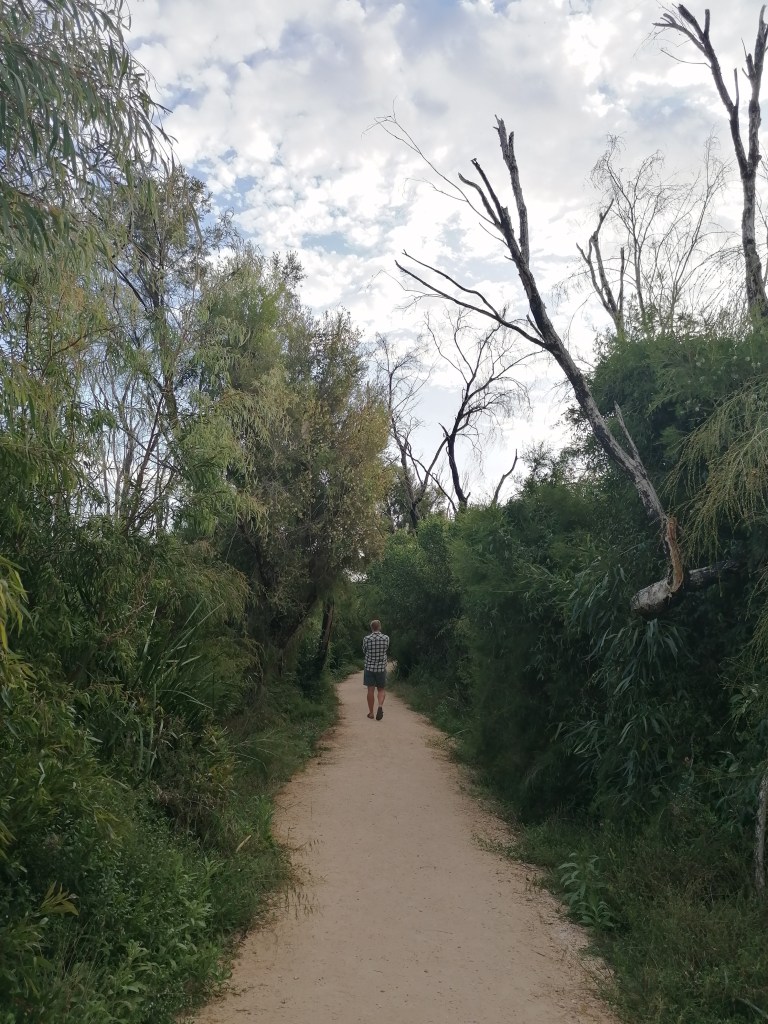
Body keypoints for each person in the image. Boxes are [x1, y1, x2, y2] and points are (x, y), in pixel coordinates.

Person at [362, 619, 389, 720]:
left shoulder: (366, 638)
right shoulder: (386, 638)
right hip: (381, 668)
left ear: (371, 628)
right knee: (381, 689)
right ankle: (380, 706)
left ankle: (371, 713)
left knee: (370, 690)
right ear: (380, 627)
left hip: (369, 668)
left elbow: (364, 650)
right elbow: (386, 649)